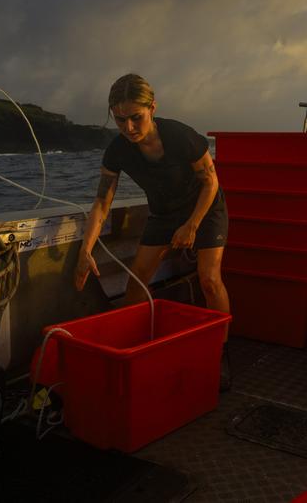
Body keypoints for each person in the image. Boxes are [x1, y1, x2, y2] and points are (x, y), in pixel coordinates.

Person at [74, 73, 231, 388]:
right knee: (136, 282)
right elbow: (102, 204)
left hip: (205, 208)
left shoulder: (180, 136)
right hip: (163, 214)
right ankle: (132, 351)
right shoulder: (117, 151)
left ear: (152, 108)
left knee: (209, 280)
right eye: (120, 120)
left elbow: (210, 182)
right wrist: (85, 249)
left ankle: (219, 352)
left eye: (136, 118)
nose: (128, 128)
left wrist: (192, 225)